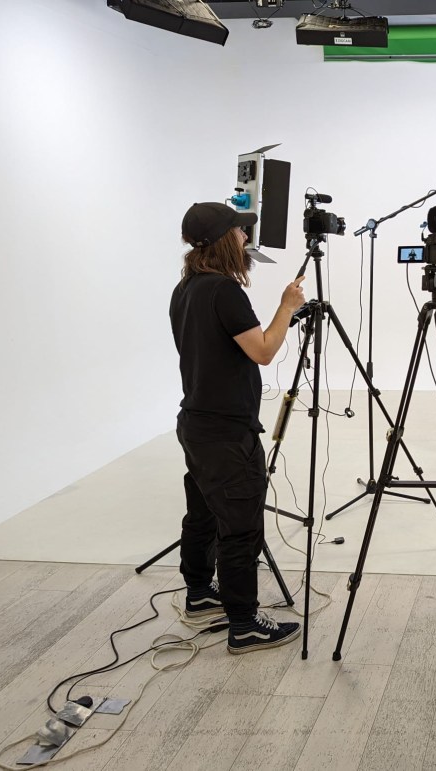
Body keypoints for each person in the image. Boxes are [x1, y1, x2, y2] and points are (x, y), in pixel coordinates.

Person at [171, 201, 306, 654]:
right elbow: (264, 350)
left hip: (195, 423)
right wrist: (287, 307)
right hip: (227, 433)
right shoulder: (224, 292)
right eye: (240, 232)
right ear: (225, 239)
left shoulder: (186, 288)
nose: (246, 239)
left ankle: (198, 595)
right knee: (241, 528)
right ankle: (245, 624)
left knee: (204, 514)